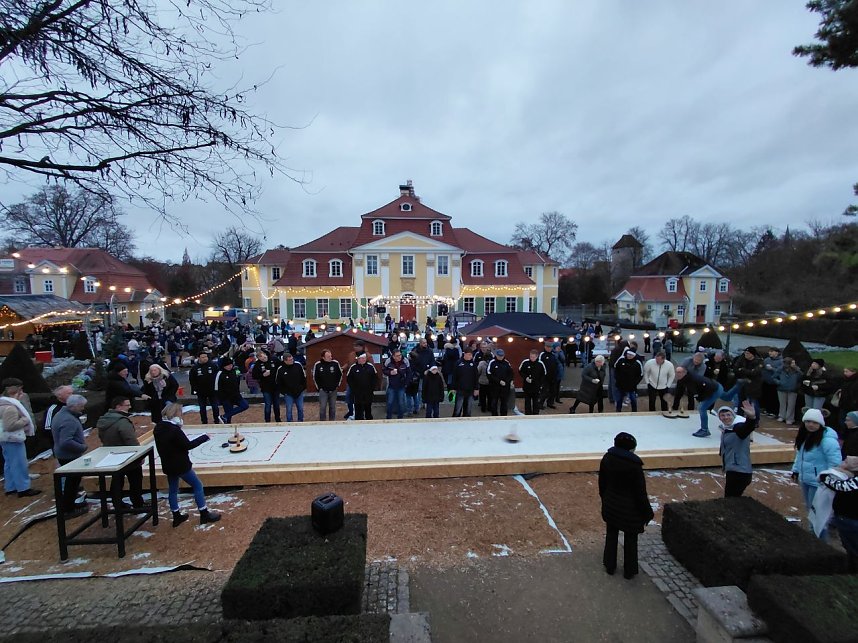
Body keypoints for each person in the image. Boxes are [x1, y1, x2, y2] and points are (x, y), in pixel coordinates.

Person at [153, 402, 220, 527]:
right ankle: (204, 513)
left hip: (168, 465)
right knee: (198, 485)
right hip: (181, 465)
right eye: (181, 413)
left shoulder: (158, 428)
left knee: (173, 490)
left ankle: (176, 515)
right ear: (176, 414)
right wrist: (204, 437)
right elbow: (188, 445)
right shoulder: (174, 430)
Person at [599, 432, 653, 580]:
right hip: (630, 509)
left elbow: (602, 483)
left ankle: (609, 565)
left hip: (611, 503)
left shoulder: (607, 458)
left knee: (611, 535)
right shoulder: (634, 466)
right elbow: (640, 492)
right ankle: (629, 570)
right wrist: (648, 512)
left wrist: (605, 499)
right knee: (631, 540)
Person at [791, 408, 841, 539]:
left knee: (818, 514)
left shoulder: (827, 440)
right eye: (807, 421)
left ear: (820, 423)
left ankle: (821, 541)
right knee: (810, 509)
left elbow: (835, 462)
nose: (810, 425)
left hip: (819, 483)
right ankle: (812, 536)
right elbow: (800, 455)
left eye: (814, 422)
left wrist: (828, 479)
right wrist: (796, 470)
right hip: (806, 479)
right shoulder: (805, 435)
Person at [96, 396, 145, 510]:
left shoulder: (104, 420)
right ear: (118, 406)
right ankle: (138, 504)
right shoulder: (122, 422)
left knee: (117, 480)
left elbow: (101, 437)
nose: (130, 407)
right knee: (135, 480)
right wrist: (139, 455)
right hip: (127, 456)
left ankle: (117, 503)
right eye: (127, 405)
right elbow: (130, 440)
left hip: (111, 454)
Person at [0, 378, 40, 498]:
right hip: (13, 438)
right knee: (19, 463)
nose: (22, 394)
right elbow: (10, 426)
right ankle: (23, 488)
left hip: (5, 439)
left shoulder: (2, 404)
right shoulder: (11, 408)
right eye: (20, 391)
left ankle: (11, 487)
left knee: (9, 463)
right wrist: (24, 420)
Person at [51, 394, 89, 518]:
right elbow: (66, 441)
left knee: (72, 483)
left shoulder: (62, 415)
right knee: (71, 483)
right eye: (81, 407)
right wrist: (82, 447)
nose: (82, 409)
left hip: (64, 454)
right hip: (69, 456)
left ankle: (69, 504)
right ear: (75, 406)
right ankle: (68, 509)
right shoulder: (68, 420)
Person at [819, 455, 858, 572]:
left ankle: (853, 571)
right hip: (849, 518)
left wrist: (825, 478)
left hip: (849, 518)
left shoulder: (854, 482)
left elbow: (840, 486)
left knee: (852, 548)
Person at [717, 402, 758, 497]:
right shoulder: (726, 429)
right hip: (732, 470)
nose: (726, 417)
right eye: (722, 415)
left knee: (730, 499)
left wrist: (751, 418)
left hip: (740, 472)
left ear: (733, 415)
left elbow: (746, 429)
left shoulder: (737, 427)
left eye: (728, 414)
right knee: (731, 498)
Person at [673, 366, 723, 438]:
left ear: (685, 373)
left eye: (679, 372)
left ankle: (705, 430)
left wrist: (701, 399)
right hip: (717, 386)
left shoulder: (693, 379)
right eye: (676, 372)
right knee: (727, 397)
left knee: (702, 408)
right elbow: (679, 392)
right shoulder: (682, 380)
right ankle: (738, 386)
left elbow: (706, 388)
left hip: (715, 390)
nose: (677, 374)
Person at [188, 351, 220, 424]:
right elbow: (192, 380)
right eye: (203, 357)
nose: (205, 358)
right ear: (198, 358)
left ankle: (217, 420)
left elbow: (218, 376)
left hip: (212, 390)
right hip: (201, 391)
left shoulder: (213, 365)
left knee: (215, 406)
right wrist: (194, 389)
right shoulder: (195, 368)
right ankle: (204, 421)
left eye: (206, 357)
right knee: (202, 408)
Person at [214, 357, 249, 423]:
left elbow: (236, 382)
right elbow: (216, 387)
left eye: (231, 364)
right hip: (226, 398)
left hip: (236, 395)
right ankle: (226, 422)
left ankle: (224, 416)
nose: (230, 366)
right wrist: (220, 398)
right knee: (228, 417)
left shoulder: (233, 371)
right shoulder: (220, 373)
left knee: (245, 405)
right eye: (228, 365)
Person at [252, 349, 281, 423]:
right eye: (260, 358)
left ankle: (278, 419)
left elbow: (280, 368)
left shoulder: (274, 359)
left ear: (265, 354)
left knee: (276, 404)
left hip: (276, 386)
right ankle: (267, 420)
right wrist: (262, 375)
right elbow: (254, 375)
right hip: (266, 388)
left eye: (263, 357)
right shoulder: (257, 364)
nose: (263, 359)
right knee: (268, 405)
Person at [313, 349, 343, 421]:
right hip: (323, 390)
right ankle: (322, 422)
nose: (330, 357)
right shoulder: (318, 365)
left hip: (333, 390)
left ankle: (332, 422)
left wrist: (337, 385)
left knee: (332, 407)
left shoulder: (335, 363)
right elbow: (315, 377)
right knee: (322, 408)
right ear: (323, 357)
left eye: (331, 356)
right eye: (328, 356)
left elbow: (340, 375)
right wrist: (319, 388)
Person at [347, 353, 378, 420]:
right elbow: (349, 379)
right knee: (358, 410)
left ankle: (369, 422)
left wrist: (372, 388)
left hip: (368, 393)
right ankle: (358, 422)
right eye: (362, 358)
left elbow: (375, 378)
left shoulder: (370, 366)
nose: (364, 359)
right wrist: (354, 389)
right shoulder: (353, 367)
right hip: (358, 394)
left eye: (365, 358)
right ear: (358, 359)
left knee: (368, 408)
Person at [277, 353, 306, 422]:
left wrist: (302, 388)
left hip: (299, 391)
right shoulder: (280, 369)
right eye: (289, 360)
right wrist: (284, 392)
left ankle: (300, 421)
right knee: (289, 409)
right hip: (288, 393)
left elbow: (303, 377)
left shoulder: (298, 365)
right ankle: (289, 422)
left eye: (292, 359)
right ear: (285, 361)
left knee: (300, 408)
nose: (292, 361)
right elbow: (278, 382)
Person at [383, 350, 411, 420]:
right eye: (397, 356)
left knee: (401, 402)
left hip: (401, 385)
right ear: (393, 356)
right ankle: (388, 417)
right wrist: (390, 372)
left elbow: (409, 373)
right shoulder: (388, 361)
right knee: (390, 402)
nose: (399, 357)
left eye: (400, 355)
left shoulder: (405, 361)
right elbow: (384, 370)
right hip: (391, 385)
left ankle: (400, 417)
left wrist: (406, 383)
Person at [774, 357, 802, 425]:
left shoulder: (797, 370)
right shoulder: (780, 369)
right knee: (782, 403)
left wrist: (797, 369)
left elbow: (801, 377)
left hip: (793, 389)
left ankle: (789, 419)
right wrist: (779, 382)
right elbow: (774, 377)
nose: (794, 364)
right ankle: (781, 416)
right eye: (792, 362)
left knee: (791, 405)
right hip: (781, 389)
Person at [519, 349, 547, 415]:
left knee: (536, 402)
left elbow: (544, 374)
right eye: (531, 356)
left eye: (533, 357)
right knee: (527, 401)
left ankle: (536, 414)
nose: (532, 358)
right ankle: (528, 414)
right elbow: (520, 371)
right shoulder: (525, 362)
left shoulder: (540, 364)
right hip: (527, 386)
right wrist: (526, 377)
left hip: (536, 387)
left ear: (537, 356)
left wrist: (540, 383)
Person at [452, 348, 478, 418]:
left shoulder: (473, 364)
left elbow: (476, 377)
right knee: (458, 408)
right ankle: (455, 420)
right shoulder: (458, 363)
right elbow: (454, 376)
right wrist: (453, 388)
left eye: (471, 355)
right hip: (460, 389)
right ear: (465, 354)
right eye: (469, 355)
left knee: (468, 409)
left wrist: (476, 388)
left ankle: (467, 421)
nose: (470, 356)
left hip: (470, 389)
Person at [486, 348, 513, 417]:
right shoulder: (492, 362)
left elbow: (511, 373)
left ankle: (503, 416)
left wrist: (507, 381)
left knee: (504, 402)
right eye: (499, 356)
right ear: (496, 355)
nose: (501, 357)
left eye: (502, 356)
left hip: (505, 387)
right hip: (494, 387)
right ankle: (494, 416)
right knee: (494, 402)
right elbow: (489, 374)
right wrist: (498, 381)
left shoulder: (507, 363)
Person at [761, 348, 783, 418]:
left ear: (777, 353)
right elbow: (762, 367)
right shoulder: (766, 359)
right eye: (769, 351)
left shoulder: (781, 361)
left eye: (772, 351)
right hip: (765, 381)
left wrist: (772, 369)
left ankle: (774, 412)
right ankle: (767, 410)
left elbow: (781, 371)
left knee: (774, 398)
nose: (770, 353)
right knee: (766, 396)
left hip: (774, 382)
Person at [537, 341, 559, 410]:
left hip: (553, 376)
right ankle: (540, 403)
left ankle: (550, 403)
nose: (549, 349)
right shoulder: (542, 354)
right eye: (548, 347)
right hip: (545, 377)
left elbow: (556, 364)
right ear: (545, 347)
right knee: (544, 391)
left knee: (553, 391)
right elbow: (539, 364)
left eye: (550, 347)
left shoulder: (553, 355)